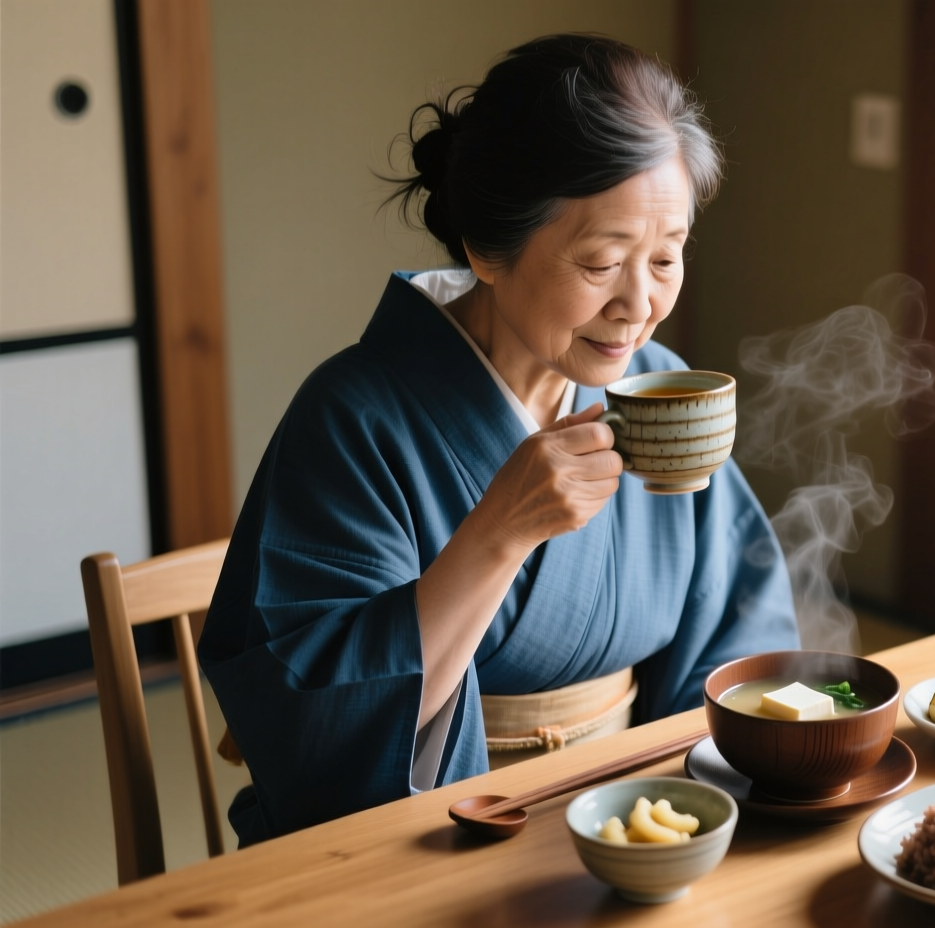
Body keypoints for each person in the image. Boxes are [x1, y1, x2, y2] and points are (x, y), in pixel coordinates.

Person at [200, 34, 800, 845]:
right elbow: (314, 729)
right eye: (602, 262)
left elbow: (739, 625)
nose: (639, 304)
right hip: (439, 831)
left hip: (636, 824)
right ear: (488, 247)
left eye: (667, 257)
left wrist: (686, 805)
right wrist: (500, 532)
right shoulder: (353, 420)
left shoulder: (657, 387)